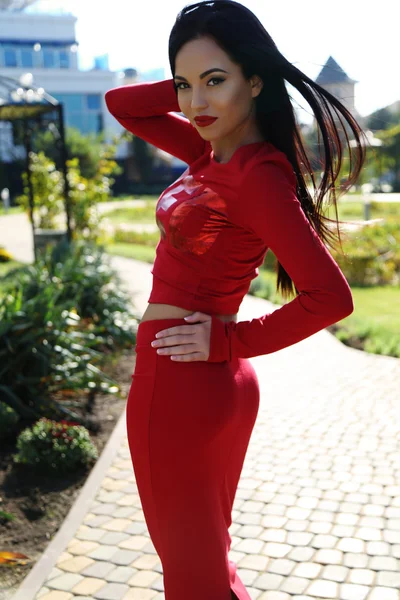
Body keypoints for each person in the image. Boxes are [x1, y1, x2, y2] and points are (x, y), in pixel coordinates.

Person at [105, 1, 366, 598]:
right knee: (202, 566)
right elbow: (122, 105)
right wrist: (202, 88)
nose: (196, 103)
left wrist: (227, 339)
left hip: (184, 382)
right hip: (199, 381)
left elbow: (330, 297)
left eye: (215, 81)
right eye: (184, 85)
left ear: (255, 79)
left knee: (192, 575)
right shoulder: (212, 154)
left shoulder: (256, 176)